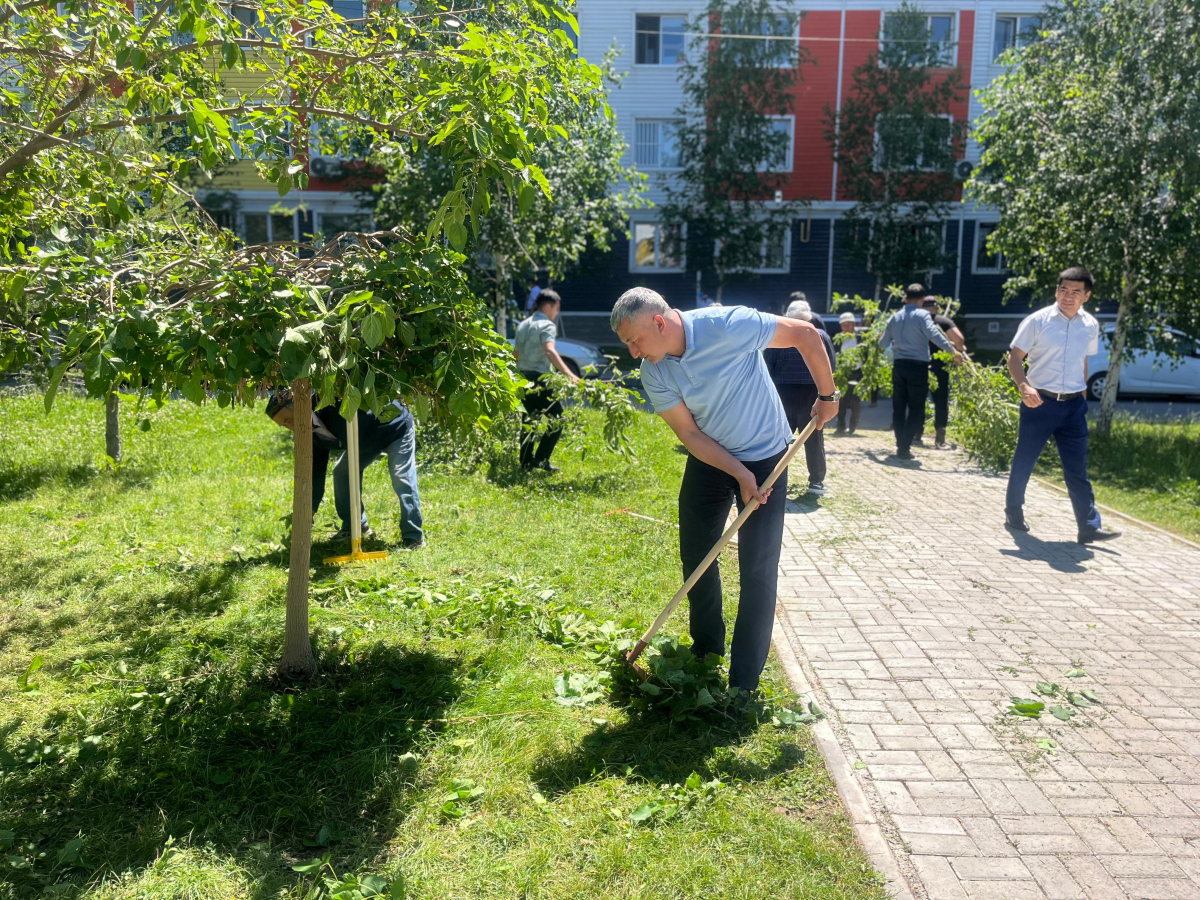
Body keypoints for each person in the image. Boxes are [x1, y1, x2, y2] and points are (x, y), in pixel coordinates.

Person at [611, 287, 839, 693]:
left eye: (635, 340)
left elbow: (805, 334)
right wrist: (737, 473)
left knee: (757, 569)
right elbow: (689, 433)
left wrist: (827, 396)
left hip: (768, 456)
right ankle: (706, 654)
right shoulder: (655, 370)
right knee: (697, 554)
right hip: (711, 459)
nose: (633, 352)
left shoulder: (728, 325)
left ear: (659, 323)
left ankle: (743, 683)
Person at [1004, 267, 1120, 544]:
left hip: (1073, 408)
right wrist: (1024, 387)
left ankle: (1089, 526)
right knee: (1025, 461)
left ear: (1086, 296)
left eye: (1075, 292)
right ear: (1057, 290)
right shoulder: (1037, 320)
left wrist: (1082, 396)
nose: (1068, 296)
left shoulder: (1090, 325)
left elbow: (1082, 359)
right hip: (1039, 403)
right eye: (1063, 290)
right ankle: (1013, 511)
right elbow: (1014, 359)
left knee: (1077, 468)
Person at [266, 390, 425, 548]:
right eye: (284, 425)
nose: (290, 427)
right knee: (343, 473)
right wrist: (309, 510)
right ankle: (355, 527)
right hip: (362, 441)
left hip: (394, 429)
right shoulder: (307, 429)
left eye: (289, 419)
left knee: (401, 477)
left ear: (300, 407)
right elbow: (316, 470)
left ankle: (414, 537)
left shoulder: (332, 402)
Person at [878, 283, 963, 459]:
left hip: (899, 365)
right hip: (918, 367)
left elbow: (882, 344)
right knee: (916, 408)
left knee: (899, 407)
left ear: (905, 299)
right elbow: (934, 334)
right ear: (922, 300)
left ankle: (901, 443)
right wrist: (952, 351)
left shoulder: (895, 317)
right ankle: (904, 447)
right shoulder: (923, 315)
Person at [763, 296, 836, 495]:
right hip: (812, 394)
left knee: (778, 441)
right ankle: (816, 482)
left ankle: (773, 481)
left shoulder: (778, 336)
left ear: (788, 317)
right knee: (814, 439)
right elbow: (831, 367)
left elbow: (767, 366)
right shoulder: (821, 336)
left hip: (782, 394)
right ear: (809, 317)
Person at [514, 288, 579, 471]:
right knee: (558, 419)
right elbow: (549, 350)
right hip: (540, 380)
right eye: (557, 308)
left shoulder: (523, 325)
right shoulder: (547, 326)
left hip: (523, 379)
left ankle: (526, 462)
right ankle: (541, 459)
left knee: (529, 421)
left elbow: (516, 355)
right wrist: (570, 375)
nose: (557, 313)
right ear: (549, 306)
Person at [918, 296, 966, 448]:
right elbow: (959, 339)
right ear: (937, 308)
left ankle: (916, 432)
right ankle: (940, 435)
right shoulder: (944, 322)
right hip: (940, 366)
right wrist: (958, 353)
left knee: (917, 400)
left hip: (919, 364)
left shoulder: (917, 321)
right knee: (940, 401)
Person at [835, 311, 862, 435]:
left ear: (854, 324)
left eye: (848, 324)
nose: (846, 327)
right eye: (843, 325)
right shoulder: (838, 339)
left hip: (858, 372)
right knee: (841, 401)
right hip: (843, 374)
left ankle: (853, 427)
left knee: (855, 401)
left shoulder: (861, 337)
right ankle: (840, 426)